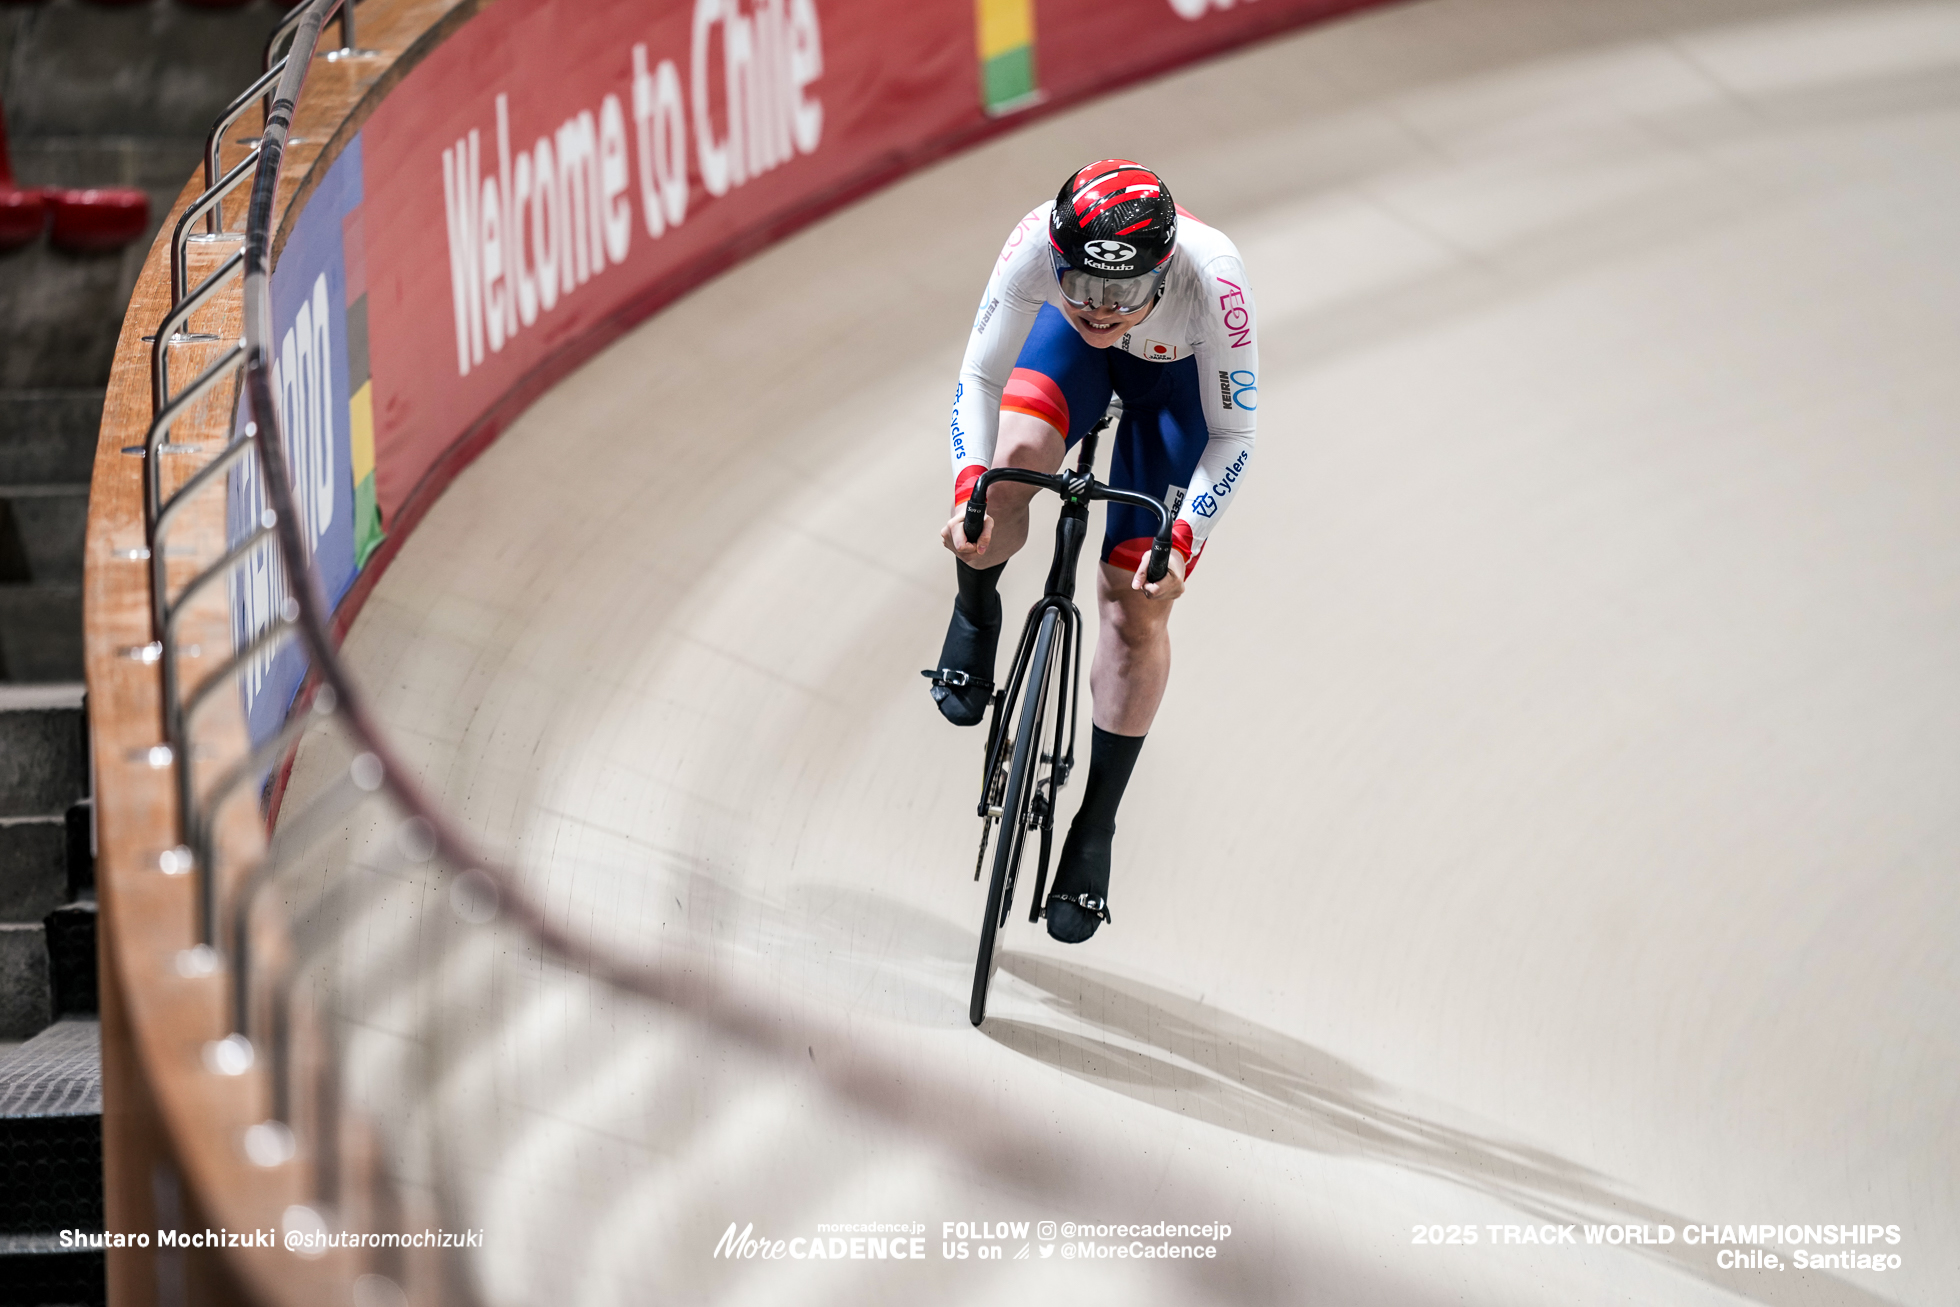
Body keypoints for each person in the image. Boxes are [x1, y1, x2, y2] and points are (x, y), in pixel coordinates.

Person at [926, 159, 1259, 944]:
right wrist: (969, 484)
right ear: (1058, 254)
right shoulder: (1034, 244)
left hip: (1172, 395)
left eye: (1120, 294)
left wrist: (1183, 539)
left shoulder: (1217, 280)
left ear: (1165, 269)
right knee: (1008, 470)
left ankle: (1095, 825)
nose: (1097, 310)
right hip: (1073, 369)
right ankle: (975, 612)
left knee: (1137, 602)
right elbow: (979, 374)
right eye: (1078, 284)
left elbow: (1236, 432)